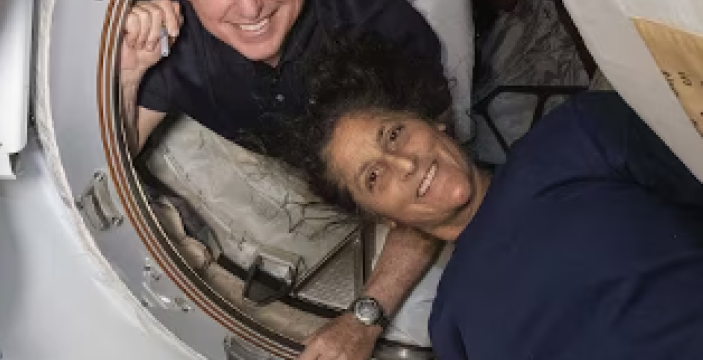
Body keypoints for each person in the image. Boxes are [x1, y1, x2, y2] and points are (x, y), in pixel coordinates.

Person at [262, 36, 703, 360]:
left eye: (394, 134)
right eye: (374, 177)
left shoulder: (575, 137)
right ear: (383, 218)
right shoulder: (451, 327)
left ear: (433, 121)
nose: (404, 163)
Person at [117, 0, 457, 358]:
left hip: (371, 168)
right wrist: (130, 72)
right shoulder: (165, 23)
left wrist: (364, 318)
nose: (248, 7)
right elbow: (120, 151)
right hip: (268, 157)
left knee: (423, 331)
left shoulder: (380, 28)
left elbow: (433, 185)